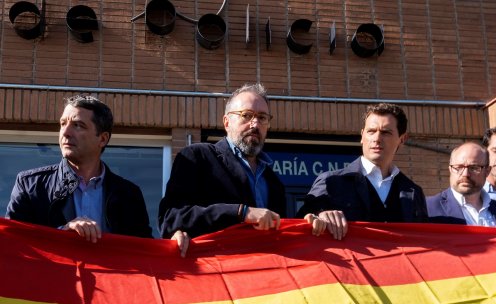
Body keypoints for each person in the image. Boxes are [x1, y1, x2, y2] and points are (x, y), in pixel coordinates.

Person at [159, 83, 324, 239]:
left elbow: (280, 236)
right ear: (226, 122)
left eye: (262, 117)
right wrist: (242, 213)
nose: (255, 124)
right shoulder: (197, 158)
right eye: (246, 115)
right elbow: (171, 218)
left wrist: (303, 223)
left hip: (262, 266)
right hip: (216, 265)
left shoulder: (274, 183)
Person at [6, 95, 153, 242]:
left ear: (102, 139)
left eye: (77, 125)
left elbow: (144, 254)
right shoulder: (30, 186)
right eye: (63, 124)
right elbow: (14, 244)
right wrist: (62, 233)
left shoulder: (129, 195)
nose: (65, 133)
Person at [297, 103, 428, 240]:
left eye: (385, 132)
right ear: (362, 136)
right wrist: (319, 215)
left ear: (402, 139)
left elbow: (425, 240)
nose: (376, 139)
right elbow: (299, 226)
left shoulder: (413, 192)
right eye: (371, 131)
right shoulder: (331, 182)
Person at [427, 142, 496, 228]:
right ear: (450, 169)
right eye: (458, 167)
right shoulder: (428, 208)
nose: (465, 174)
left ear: (487, 171)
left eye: (474, 168)